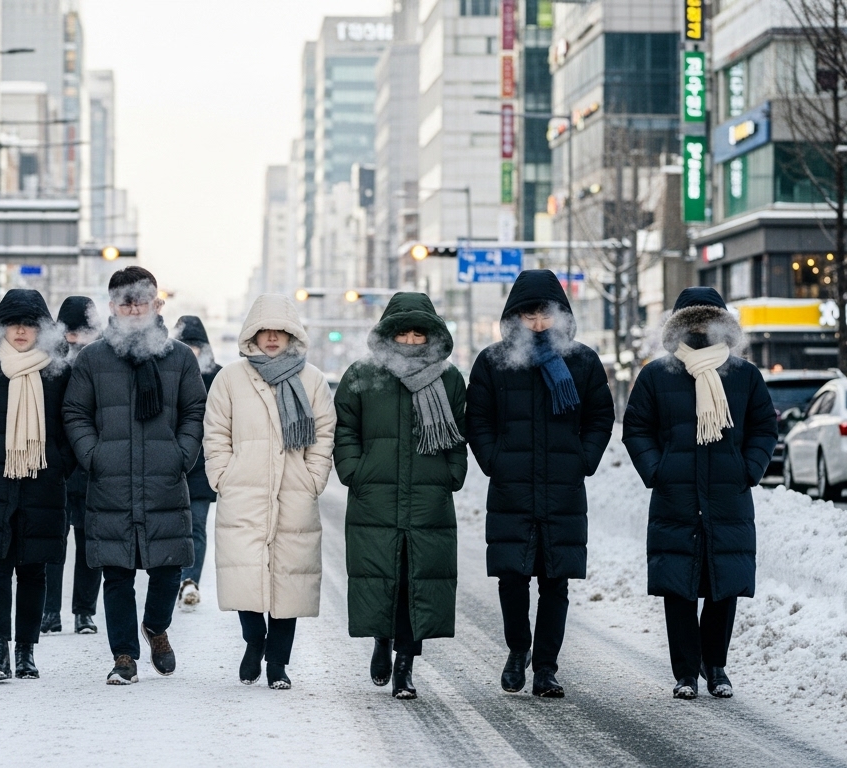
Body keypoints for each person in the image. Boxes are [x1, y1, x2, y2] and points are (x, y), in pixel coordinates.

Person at [465, 270, 615, 698]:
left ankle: (546, 668)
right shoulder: (493, 361)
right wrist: (494, 459)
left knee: (555, 580)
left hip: (562, 487)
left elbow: (600, 417)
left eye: (545, 314)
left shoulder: (582, 360)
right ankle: (518, 651)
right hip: (512, 486)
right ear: (514, 316)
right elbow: (478, 419)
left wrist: (583, 459)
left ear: (561, 314)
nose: (537, 323)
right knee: (512, 577)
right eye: (528, 314)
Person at [622, 286, 776, 700]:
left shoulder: (744, 375)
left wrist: (749, 468)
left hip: (728, 497)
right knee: (679, 588)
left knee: (725, 585)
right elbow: (636, 428)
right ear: (677, 328)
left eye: (708, 322)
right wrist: (657, 469)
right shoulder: (658, 374)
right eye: (692, 323)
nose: (701, 330)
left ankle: (717, 666)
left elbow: (764, 427)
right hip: (677, 496)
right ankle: (686, 673)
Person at [62, 267, 208, 685]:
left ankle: (156, 628)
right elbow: (75, 412)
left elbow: (195, 410)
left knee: (166, 569)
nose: (132, 308)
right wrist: (94, 455)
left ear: (155, 304)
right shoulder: (93, 358)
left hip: (164, 477)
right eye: (124, 301)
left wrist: (182, 455)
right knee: (117, 573)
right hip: (111, 481)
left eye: (140, 300)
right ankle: (124, 655)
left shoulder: (179, 357)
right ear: (112, 307)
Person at [334, 292, 467, 700]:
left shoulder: (448, 378)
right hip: (375, 496)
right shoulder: (362, 374)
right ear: (388, 333)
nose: (410, 340)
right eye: (403, 332)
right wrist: (355, 472)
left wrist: (451, 475)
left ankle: (405, 666)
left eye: (418, 333)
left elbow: (458, 437)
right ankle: (381, 639)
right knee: (382, 577)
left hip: (428, 498)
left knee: (417, 584)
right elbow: (345, 430)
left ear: (433, 336)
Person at [204, 294, 335, 689]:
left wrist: (313, 478)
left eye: (281, 331)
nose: (273, 338)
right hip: (244, 491)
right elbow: (216, 433)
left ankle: (278, 664)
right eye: (265, 331)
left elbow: (324, 433)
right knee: (244, 575)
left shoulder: (310, 378)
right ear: (252, 335)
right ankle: (254, 640)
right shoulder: (231, 378)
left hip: (294, 491)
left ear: (293, 334)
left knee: (288, 580)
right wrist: (223, 476)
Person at [0, 289, 74, 679]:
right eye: (13, 323)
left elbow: (72, 425)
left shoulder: (57, 371)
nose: (21, 331)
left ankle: (26, 652)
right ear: (0, 327)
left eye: (30, 324)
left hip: (42, 483)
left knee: (34, 570)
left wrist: (58, 464)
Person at [43, 296, 104, 635]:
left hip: (93, 465)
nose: (77, 339)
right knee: (54, 544)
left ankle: (84, 611)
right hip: (56, 466)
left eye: (84, 331)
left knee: (89, 545)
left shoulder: (102, 362)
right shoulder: (48, 362)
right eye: (71, 332)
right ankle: (50, 611)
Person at [174, 314, 219, 610]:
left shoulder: (216, 376)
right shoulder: (166, 371)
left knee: (197, 527)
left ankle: (190, 581)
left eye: (195, 345)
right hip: (172, 463)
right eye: (184, 344)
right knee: (172, 529)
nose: (191, 351)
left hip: (203, 465)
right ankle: (174, 580)